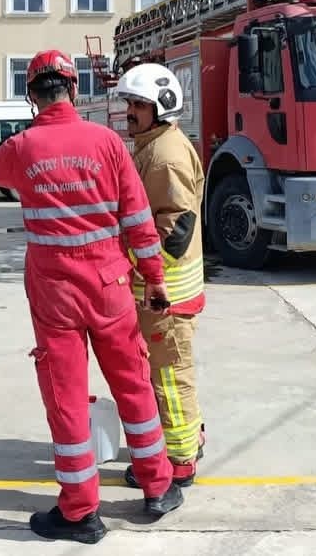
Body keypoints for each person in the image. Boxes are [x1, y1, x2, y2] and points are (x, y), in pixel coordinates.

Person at [0, 49, 183, 544]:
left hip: (55, 295)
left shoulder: (22, 147)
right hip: (111, 285)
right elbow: (138, 218)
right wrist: (154, 277)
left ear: (32, 95)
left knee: (68, 399)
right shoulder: (108, 143)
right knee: (133, 382)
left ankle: (79, 512)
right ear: (73, 91)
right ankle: (158, 486)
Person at [115, 63, 207, 489]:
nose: (129, 111)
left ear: (161, 108)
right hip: (163, 292)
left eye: (138, 105)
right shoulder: (154, 144)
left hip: (165, 294)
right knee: (172, 371)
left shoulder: (165, 154)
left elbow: (176, 228)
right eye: (129, 103)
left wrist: (135, 264)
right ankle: (190, 438)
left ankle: (179, 460)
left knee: (170, 376)